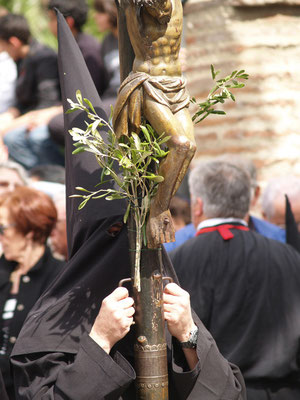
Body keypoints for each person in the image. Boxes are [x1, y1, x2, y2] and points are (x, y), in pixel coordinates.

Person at [10, 13, 246, 399]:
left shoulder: (168, 299)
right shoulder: (50, 325)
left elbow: (229, 394)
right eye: (114, 234)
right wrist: (98, 341)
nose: (126, 247)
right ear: (89, 242)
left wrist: (189, 336)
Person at [170, 160, 300, 400]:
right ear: (247, 202)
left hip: (219, 392)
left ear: (197, 206)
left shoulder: (178, 259)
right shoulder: (289, 256)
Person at [113, 0, 196, 248]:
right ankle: (158, 210)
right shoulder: (133, 5)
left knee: (189, 148)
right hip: (149, 83)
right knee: (179, 145)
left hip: (177, 86)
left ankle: (159, 206)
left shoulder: (180, 4)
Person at [0, 186, 64, 399]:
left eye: (3, 229)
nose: (1, 237)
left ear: (29, 231)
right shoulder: (3, 272)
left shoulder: (59, 278)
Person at [164, 155, 286, 252]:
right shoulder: (177, 244)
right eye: (217, 188)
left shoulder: (279, 238)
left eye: (237, 189)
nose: (227, 197)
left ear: (255, 194)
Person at [0, 13, 63, 169]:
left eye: (3, 46)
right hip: (28, 114)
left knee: (15, 137)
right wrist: (10, 115)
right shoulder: (21, 59)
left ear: (14, 43)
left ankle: (52, 175)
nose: (2, 51)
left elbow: (47, 103)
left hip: (48, 114)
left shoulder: (43, 58)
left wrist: (8, 126)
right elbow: (22, 100)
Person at [47, 0, 108, 147]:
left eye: (51, 19)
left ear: (69, 22)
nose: (48, 25)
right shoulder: (71, 47)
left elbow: (86, 95)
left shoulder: (86, 50)